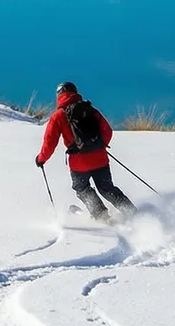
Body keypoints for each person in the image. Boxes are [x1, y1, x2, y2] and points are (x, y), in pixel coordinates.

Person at [35, 81, 135, 223]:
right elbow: (108, 131)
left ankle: (101, 215)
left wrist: (41, 159)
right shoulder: (91, 110)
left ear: (59, 95)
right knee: (107, 188)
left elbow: (49, 143)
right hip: (100, 158)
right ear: (75, 92)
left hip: (78, 163)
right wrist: (101, 145)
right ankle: (131, 212)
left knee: (81, 188)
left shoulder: (58, 116)